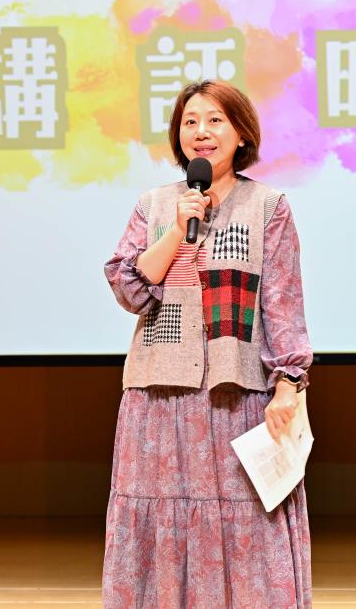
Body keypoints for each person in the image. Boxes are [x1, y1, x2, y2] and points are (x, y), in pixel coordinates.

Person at [101, 80, 313, 608]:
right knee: (159, 518)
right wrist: (177, 230)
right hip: (158, 399)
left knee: (245, 523)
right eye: (190, 121)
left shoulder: (268, 206)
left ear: (241, 134)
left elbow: (282, 302)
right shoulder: (155, 205)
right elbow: (131, 290)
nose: (201, 132)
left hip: (234, 397)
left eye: (216, 120)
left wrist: (288, 385)